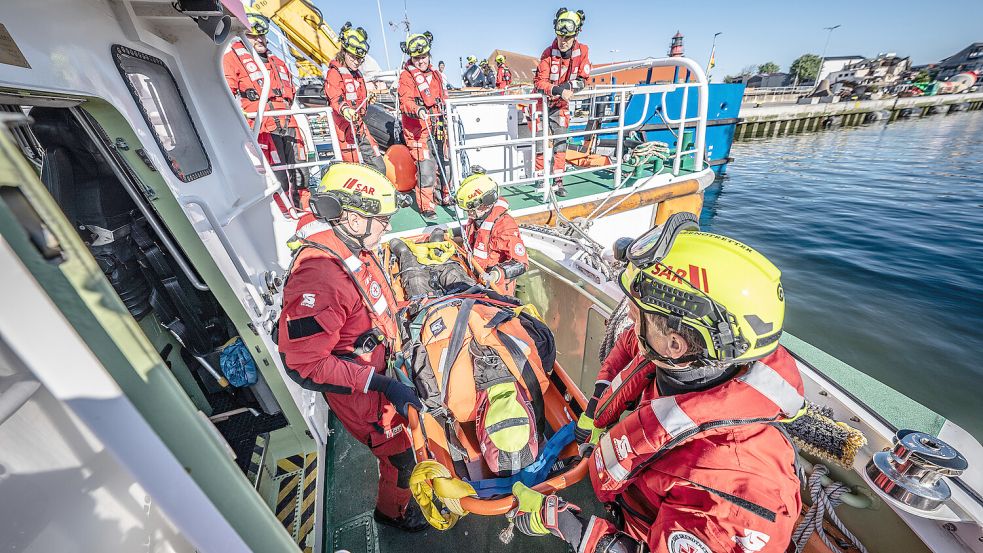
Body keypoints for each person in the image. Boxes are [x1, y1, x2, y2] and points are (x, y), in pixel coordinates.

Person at [508, 214, 805, 553]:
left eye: (637, 316)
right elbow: (628, 347)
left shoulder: (737, 492)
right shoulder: (685, 364)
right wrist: (594, 411)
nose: (629, 320)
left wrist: (562, 521)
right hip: (629, 500)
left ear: (675, 344)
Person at [277, 162, 427, 532]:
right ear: (355, 220)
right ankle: (392, 513)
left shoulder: (352, 249)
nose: (387, 228)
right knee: (401, 460)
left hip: (383, 375)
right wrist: (383, 384)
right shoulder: (320, 276)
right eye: (383, 220)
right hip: (367, 398)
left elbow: (372, 305)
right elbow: (305, 365)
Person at [224, 7, 306, 206]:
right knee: (278, 176)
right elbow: (226, 92)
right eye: (254, 36)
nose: (260, 40)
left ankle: (303, 207)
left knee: (302, 171)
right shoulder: (232, 59)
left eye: (262, 35)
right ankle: (285, 210)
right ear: (244, 35)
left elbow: (291, 92)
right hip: (262, 127)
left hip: (289, 123)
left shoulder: (278, 62)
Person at [532, 8, 592, 197]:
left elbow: (583, 80)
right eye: (560, 36)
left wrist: (567, 87)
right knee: (540, 144)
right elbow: (539, 83)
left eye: (567, 37)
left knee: (560, 143)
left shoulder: (583, 52)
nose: (563, 41)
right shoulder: (547, 53)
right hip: (542, 103)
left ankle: (558, 182)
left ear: (576, 35)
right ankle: (540, 180)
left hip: (561, 106)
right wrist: (560, 90)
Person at [398, 32, 450, 220]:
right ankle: (426, 206)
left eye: (423, 56)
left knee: (446, 162)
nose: (421, 61)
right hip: (418, 130)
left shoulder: (435, 75)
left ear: (429, 55)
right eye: (417, 58)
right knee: (426, 168)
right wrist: (418, 110)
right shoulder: (406, 76)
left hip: (437, 126)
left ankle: (444, 195)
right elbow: (405, 102)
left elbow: (443, 97)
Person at [323, 22, 385, 173]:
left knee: (378, 165)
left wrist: (367, 100)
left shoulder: (357, 74)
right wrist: (345, 110)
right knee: (353, 169)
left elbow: (358, 97)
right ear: (344, 51)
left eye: (360, 59)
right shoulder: (334, 73)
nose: (357, 61)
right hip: (344, 129)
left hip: (359, 126)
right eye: (354, 57)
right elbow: (335, 97)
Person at [455, 168, 528, 295]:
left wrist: (495, 275)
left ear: (486, 203)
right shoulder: (478, 218)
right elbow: (471, 238)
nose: (469, 214)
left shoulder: (505, 226)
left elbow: (521, 264)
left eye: (471, 210)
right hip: (475, 278)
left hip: (496, 289)